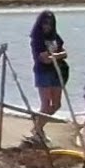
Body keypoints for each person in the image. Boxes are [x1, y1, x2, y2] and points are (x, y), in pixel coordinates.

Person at [26, 9, 69, 146]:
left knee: (56, 105)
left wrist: (54, 56)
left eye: (50, 24)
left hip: (57, 73)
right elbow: (44, 59)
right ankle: (38, 130)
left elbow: (64, 53)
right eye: (45, 23)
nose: (47, 26)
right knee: (46, 105)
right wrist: (55, 56)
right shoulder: (37, 40)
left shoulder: (55, 37)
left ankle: (38, 127)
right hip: (43, 73)